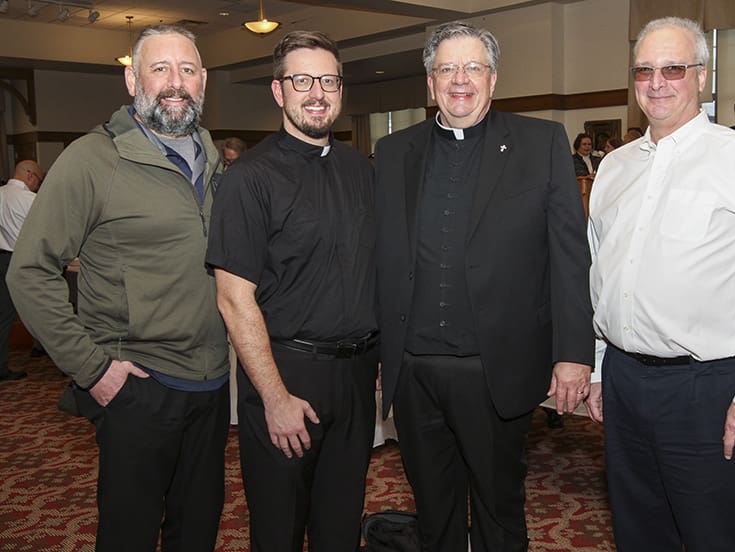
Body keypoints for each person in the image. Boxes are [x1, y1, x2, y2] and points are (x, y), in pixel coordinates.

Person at [7, 25, 230, 552]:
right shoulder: (93, 159)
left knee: (197, 530)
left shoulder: (215, 161)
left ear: (204, 83)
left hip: (213, 386)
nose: (175, 82)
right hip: (137, 385)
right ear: (132, 79)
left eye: (188, 70)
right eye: (160, 69)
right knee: (128, 534)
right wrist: (93, 369)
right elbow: (30, 270)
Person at [586, 16, 735, 552]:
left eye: (673, 68)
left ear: (701, 76)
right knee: (638, 532)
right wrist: (596, 365)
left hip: (705, 391)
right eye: (644, 70)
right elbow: (599, 275)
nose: (656, 82)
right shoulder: (613, 167)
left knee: (714, 535)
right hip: (622, 381)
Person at [374, 21, 594, 551]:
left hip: (495, 370)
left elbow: (569, 257)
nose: (459, 80)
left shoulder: (539, 143)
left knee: (500, 513)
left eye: (473, 67)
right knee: (434, 515)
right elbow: (379, 256)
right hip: (415, 371)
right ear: (430, 83)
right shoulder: (392, 151)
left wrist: (573, 353)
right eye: (446, 68)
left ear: (493, 80)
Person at [206, 30, 377, 552]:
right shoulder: (249, 178)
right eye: (302, 80)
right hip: (286, 376)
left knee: (341, 525)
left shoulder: (361, 169)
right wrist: (274, 398)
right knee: (279, 530)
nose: (317, 92)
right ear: (279, 92)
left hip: (356, 377)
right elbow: (234, 301)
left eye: (328, 80)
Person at [0, 160, 43, 382]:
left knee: (3, 316)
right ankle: (55, 355)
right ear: (30, 176)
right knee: (44, 308)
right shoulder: (30, 199)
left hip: (2, 259)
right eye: (38, 180)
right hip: (25, 262)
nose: (37, 185)